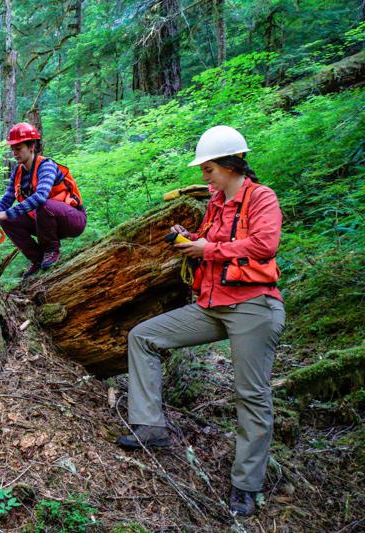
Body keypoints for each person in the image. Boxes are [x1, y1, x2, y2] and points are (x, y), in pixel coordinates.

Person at [116, 126, 285, 518]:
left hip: (253, 307)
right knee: (144, 337)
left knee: (251, 395)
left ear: (229, 165)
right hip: (211, 304)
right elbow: (210, 245)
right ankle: (150, 427)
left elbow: (265, 245)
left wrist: (209, 248)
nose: (204, 176)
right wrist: (189, 239)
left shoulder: (261, 197)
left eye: (208, 169)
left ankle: (246, 485)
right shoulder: (216, 202)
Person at [0, 122, 86, 279]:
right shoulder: (18, 172)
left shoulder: (46, 166)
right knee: (8, 221)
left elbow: (41, 196)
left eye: (19, 148)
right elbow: (8, 198)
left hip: (72, 219)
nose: (15, 153)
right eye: (13, 149)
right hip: (43, 221)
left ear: (32, 146)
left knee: (42, 205)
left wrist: (7, 213)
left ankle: (51, 251)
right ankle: (37, 259)